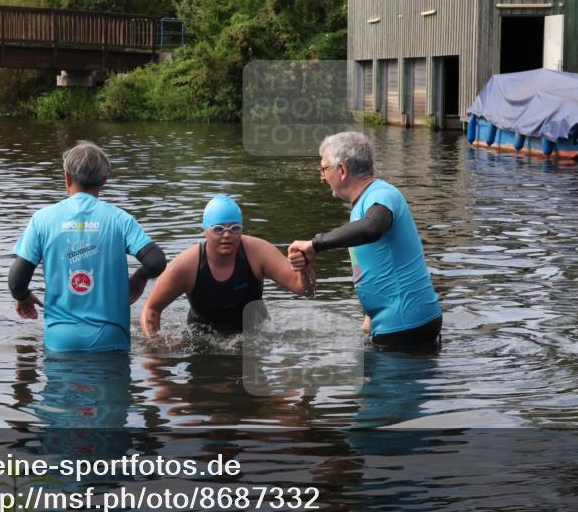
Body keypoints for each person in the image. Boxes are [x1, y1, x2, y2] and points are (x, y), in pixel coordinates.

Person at [288, 132, 442, 350]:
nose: (322, 177)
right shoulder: (365, 202)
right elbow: (376, 263)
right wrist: (370, 314)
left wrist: (315, 244)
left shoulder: (382, 194)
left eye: (324, 169)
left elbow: (373, 228)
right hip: (394, 322)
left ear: (342, 170)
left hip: (405, 324)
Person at [9, 141, 166, 352]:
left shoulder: (42, 220)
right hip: (111, 340)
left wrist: (23, 297)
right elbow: (156, 261)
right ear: (104, 180)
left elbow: (16, 282)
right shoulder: (120, 219)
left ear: (67, 177)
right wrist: (139, 278)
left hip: (60, 341)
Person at [140, 194, 314, 336]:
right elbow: (151, 308)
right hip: (203, 339)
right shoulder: (186, 266)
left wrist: (304, 269)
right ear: (205, 230)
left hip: (256, 335)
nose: (227, 235)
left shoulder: (259, 252)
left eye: (235, 228)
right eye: (218, 229)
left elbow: (306, 290)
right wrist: (155, 347)